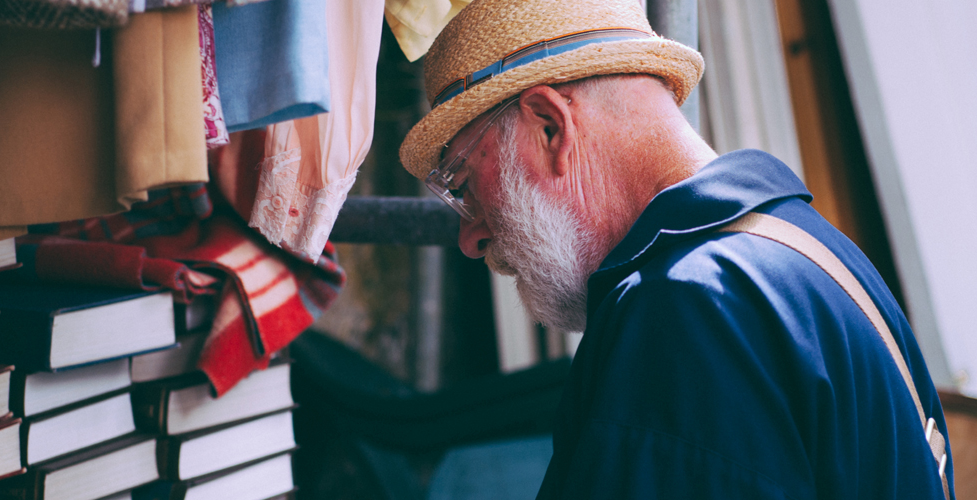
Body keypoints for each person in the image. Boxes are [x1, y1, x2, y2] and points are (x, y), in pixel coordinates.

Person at [397, 0, 956, 498]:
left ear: (549, 127)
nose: (471, 238)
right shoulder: (812, 255)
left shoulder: (687, 307)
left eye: (462, 183)